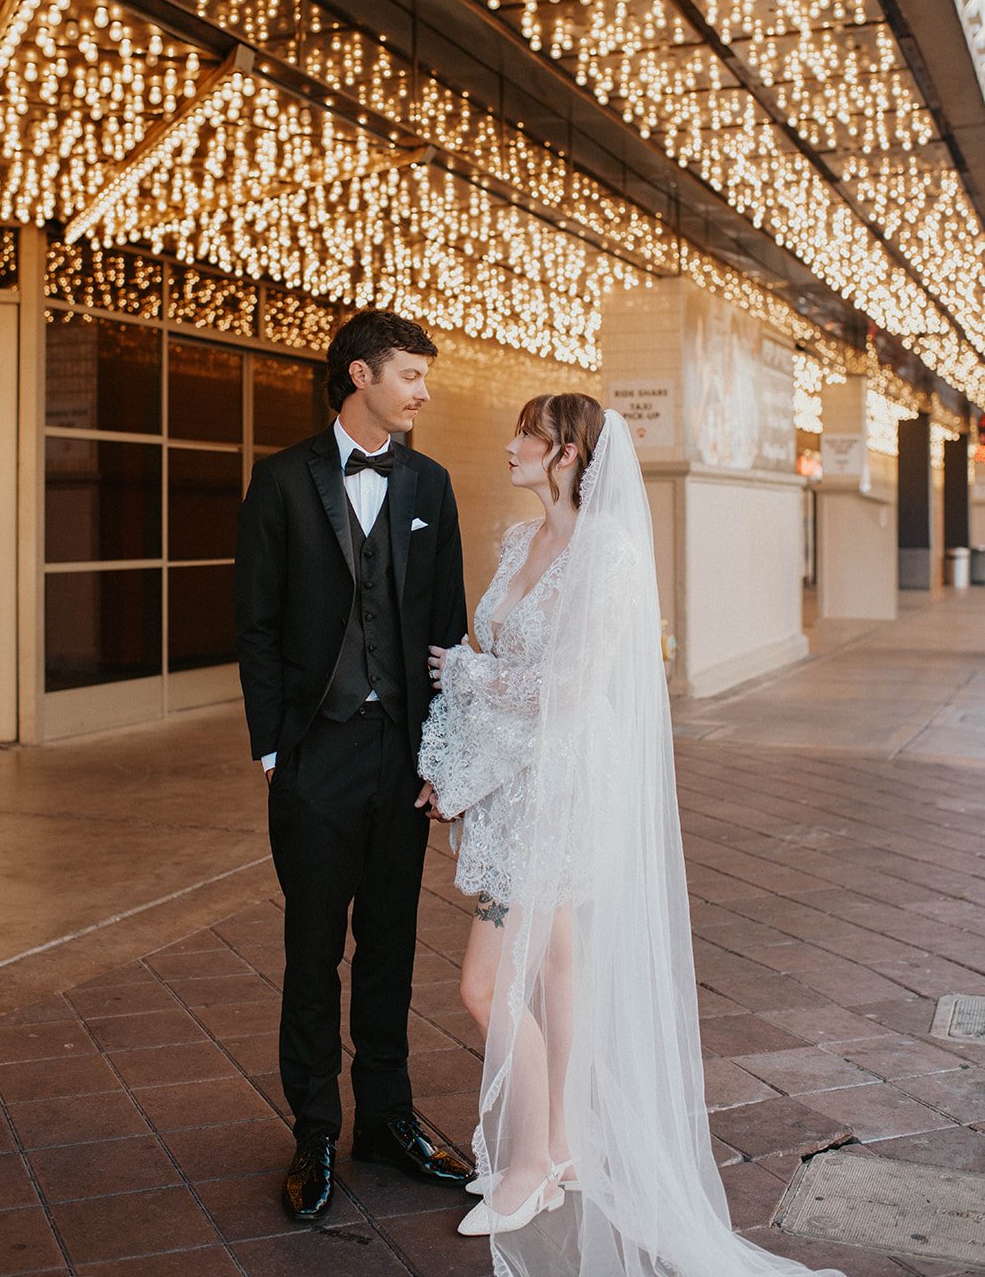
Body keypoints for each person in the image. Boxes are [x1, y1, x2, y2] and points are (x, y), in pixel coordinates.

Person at [418, 395, 845, 1277]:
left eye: (526, 436)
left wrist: (465, 672)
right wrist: (459, 752)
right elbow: (497, 651)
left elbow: (564, 688)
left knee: (484, 984)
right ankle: (566, 1143)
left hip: (562, 785)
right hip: (511, 778)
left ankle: (530, 1166)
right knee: (561, 959)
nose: (510, 447)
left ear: (565, 452)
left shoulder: (606, 556)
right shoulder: (514, 542)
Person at [234, 309, 474, 1223]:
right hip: (313, 756)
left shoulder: (431, 484)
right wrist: (271, 750)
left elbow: (447, 630)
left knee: (390, 947)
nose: (422, 391)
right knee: (310, 952)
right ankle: (312, 1133)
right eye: (410, 374)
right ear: (360, 377)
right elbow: (254, 624)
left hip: (400, 758)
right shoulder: (282, 481)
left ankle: (387, 1119)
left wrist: (441, 755)